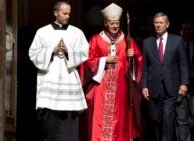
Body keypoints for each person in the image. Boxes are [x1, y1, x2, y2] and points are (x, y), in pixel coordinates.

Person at [79, 2, 142, 141]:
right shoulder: (96, 39)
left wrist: (132, 57)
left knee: (120, 117)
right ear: (106, 23)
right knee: (100, 116)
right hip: (101, 85)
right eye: (112, 23)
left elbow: (139, 60)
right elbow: (88, 61)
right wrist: (104, 60)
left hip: (121, 86)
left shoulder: (127, 39)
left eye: (117, 23)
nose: (115, 26)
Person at [28, 1, 89, 141]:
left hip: (69, 79)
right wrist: (51, 51)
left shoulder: (76, 32)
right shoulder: (43, 32)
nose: (68, 16)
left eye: (69, 13)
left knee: (70, 119)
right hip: (50, 78)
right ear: (55, 13)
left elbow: (85, 52)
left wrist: (69, 51)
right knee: (50, 120)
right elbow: (33, 53)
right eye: (64, 13)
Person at [140, 12, 189, 141]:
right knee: (155, 118)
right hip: (153, 86)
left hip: (172, 85)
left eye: (161, 23)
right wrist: (144, 86)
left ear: (167, 24)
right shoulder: (147, 43)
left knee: (168, 117)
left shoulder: (177, 40)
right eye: (156, 23)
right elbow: (145, 67)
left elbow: (184, 64)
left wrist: (184, 83)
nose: (158, 25)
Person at [175, 21, 194, 141]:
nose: (187, 32)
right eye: (185, 29)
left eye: (190, 29)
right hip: (180, 86)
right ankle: (183, 136)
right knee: (182, 118)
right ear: (180, 31)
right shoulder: (176, 46)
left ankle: (182, 131)